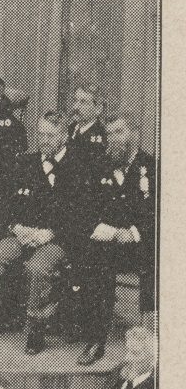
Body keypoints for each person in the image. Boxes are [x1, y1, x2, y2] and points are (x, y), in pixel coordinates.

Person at [0, 113, 89, 353]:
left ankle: (34, 331)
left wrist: (50, 233)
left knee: (37, 268)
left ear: (64, 136)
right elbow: (7, 205)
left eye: (50, 135)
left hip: (57, 239)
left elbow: (80, 215)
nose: (44, 140)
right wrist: (16, 227)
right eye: (41, 134)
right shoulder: (25, 163)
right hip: (23, 234)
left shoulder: (78, 166)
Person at [69, 114, 154, 365]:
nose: (111, 139)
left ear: (134, 134)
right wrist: (100, 227)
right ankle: (96, 339)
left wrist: (132, 233)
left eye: (118, 132)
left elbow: (159, 216)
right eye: (109, 134)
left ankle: (150, 339)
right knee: (94, 259)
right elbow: (85, 208)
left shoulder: (153, 167)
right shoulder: (99, 166)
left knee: (156, 263)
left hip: (142, 245)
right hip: (109, 244)